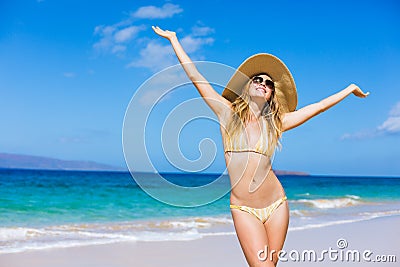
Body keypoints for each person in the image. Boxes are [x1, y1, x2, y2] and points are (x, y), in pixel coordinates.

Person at [152, 26, 369, 266]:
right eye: (258, 79)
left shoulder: (277, 123)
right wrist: (174, 40)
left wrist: (349, 89)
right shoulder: (227, 113)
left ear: (271, 95)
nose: (263, 83)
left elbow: (316, 107)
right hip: (244, 208)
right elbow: (196, 77)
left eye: (268, 83)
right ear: (247, 86)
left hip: (277, 205)